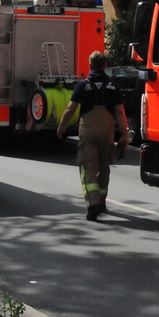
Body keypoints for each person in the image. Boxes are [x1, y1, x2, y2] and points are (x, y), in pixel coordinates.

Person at [56, 51, 129, 222]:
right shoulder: (113, 85)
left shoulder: (83, 85)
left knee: (88, 168)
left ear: (90, 65)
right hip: (107, 133)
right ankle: (102, 201)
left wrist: (62, 126)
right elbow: (120, 112)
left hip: (88, 132)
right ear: (105, 66)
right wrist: (125, 134)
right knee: (104, 167)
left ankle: (93, 203)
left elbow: (70, 109)